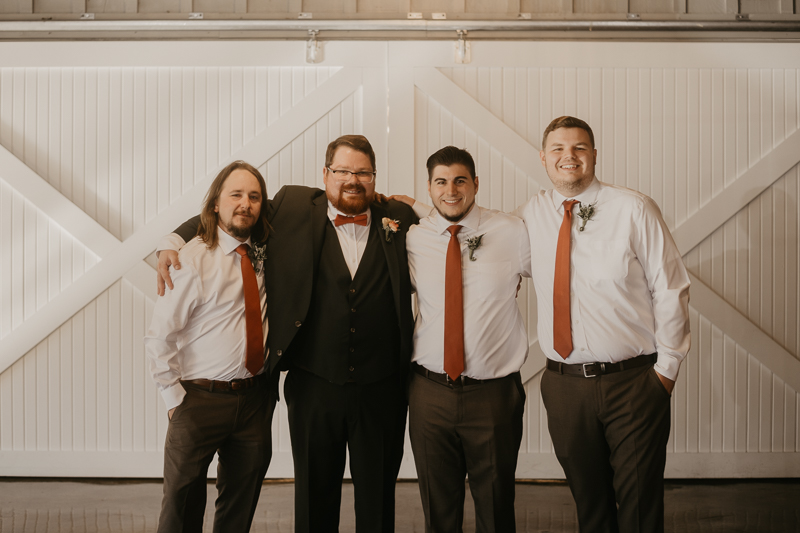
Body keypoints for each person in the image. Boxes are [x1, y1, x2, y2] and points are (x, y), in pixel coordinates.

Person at [156, 135, 417, 533]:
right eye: (344, 170)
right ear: (325, 174)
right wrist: (172, 241)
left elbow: (446, 226)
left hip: (381, 389)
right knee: (314, 497)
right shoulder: (295, 205)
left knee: (378, 499)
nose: (353, 179)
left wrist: (420, 204)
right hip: (313, 386)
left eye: (362, 172)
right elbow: (231, 212)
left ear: (374, 178)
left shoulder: (395, 215)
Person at [517, 116, 691, 532]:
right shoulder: (531, 214)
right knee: (589, 503)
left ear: (594, 155)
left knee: (639, 505)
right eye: (558, 148)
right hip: (563, 387)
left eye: (579, 147)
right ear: (543, 158)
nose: (568, 156)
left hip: (633, 384)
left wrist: (665, 373)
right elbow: (481, 237)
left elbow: (670, 288)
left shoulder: (634, 208)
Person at [404, 146, 531, 532]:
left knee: (495, 507)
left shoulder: (511, 232)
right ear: (429, 188)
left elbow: (560, 275)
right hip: (429, 394)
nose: (451, 190)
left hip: (493, 395)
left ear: (476, 183)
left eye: (460, 180)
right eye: (441, 181)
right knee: (438, 510)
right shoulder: (413, 238)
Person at [144, 160, 275, 533]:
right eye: (235, 195)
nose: (245, 204)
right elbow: (160, 336)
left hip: (254, 401)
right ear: (216, 203)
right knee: (181, 510)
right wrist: (173, 401)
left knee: (240, 506)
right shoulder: (191, 258)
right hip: (198, 401)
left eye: (253, 196)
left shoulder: (268, 251)